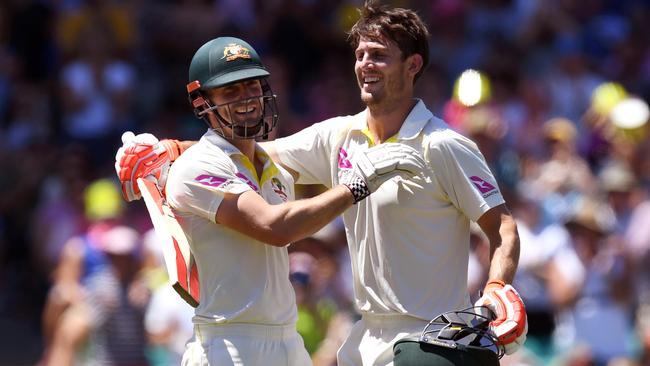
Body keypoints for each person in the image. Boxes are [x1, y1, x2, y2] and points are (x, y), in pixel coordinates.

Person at [115, 2, 527, 365]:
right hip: (361, 338)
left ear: (413, 65)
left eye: (380, 56)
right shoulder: (337, 137)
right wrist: (174, 147)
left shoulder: (444, 145)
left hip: (431, 336)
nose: (366, 65)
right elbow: (247, 152)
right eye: (361, 54)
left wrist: (496, 285)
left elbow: (502, 226)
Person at [116, 35, 425, 366]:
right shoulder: (197, 167)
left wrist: (174, 146)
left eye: (251, 86)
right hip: (228, 344)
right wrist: (358, 186)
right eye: (230, 91)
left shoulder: (270, 166)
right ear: (202, 103)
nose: (246, 98)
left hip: (287, 341)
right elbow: (274, 226)